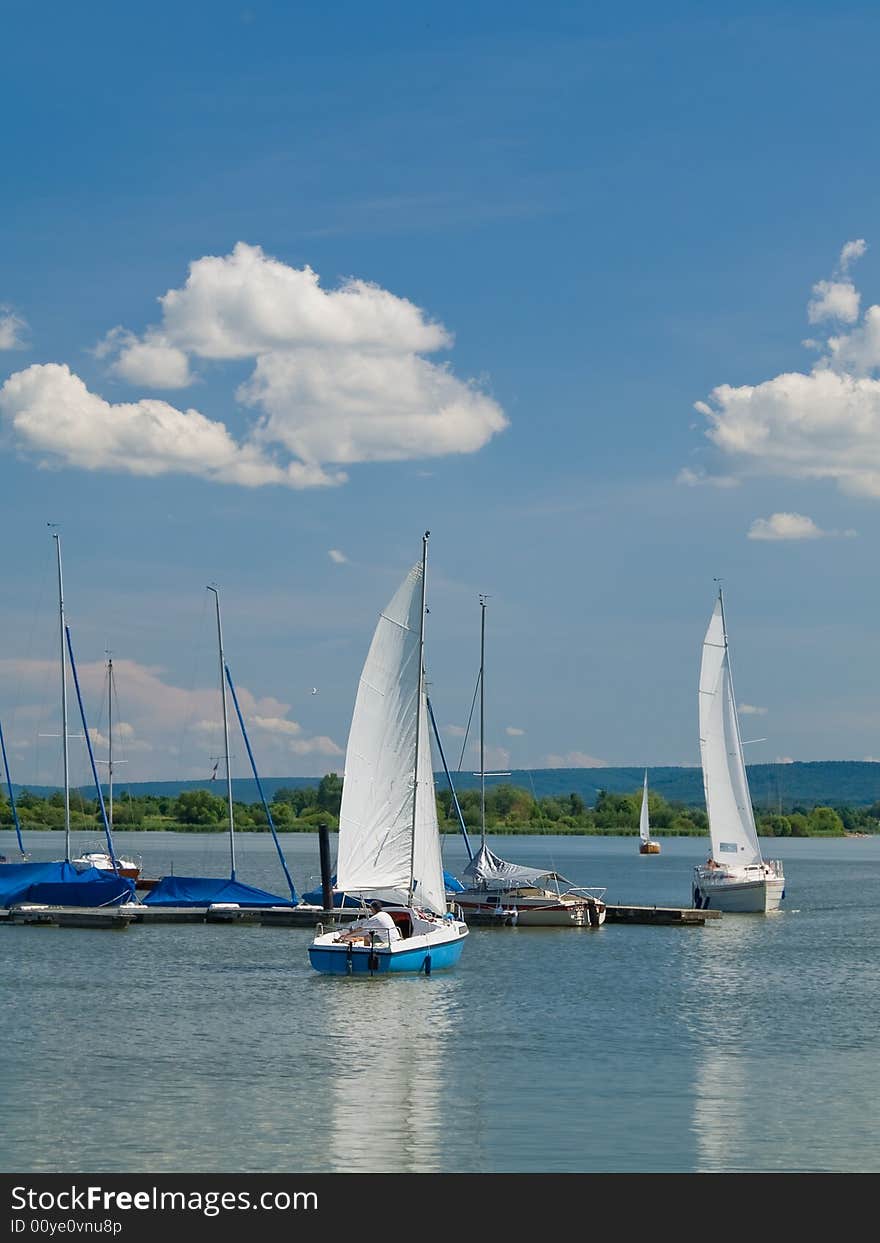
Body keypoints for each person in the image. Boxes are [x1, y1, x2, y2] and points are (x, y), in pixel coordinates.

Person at [336, 900, 401, 943]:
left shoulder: (375, 918)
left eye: (371, 908)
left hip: (387, 940)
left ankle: (363, 949)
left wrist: (347, 935)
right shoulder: (385, 914)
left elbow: (360, 929)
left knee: (366, 938)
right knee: (370, 935)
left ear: (373, 908)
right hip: (396, 938)